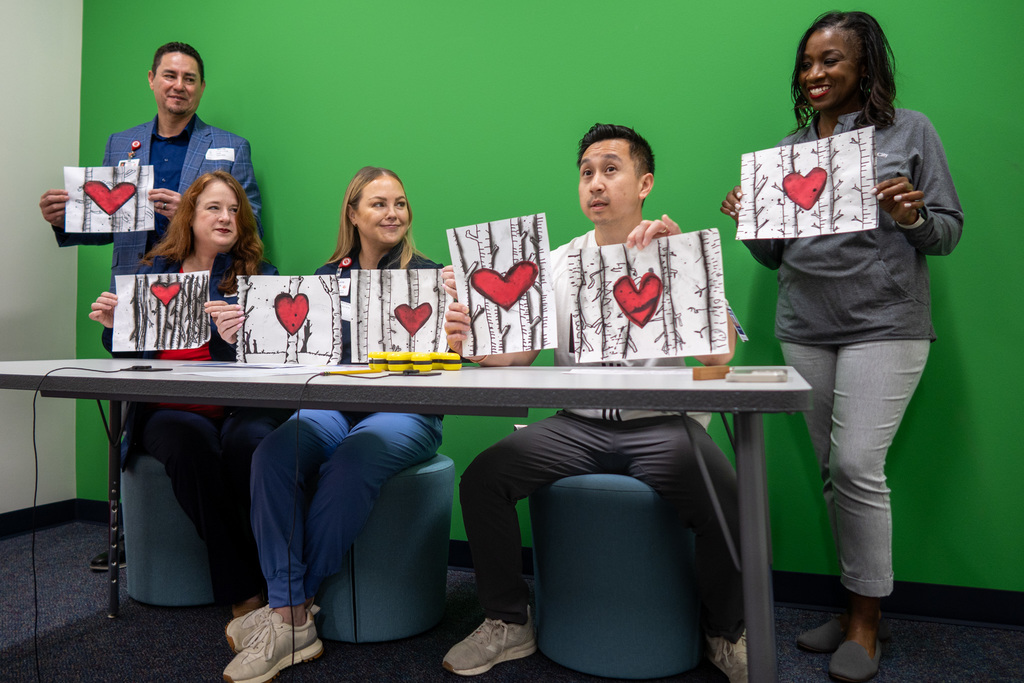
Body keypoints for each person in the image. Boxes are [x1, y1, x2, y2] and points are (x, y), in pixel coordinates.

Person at [443, 124, 746, 682]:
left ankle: (725, 631)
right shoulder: (555, 264)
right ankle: (508, 621)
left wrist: (686, 268)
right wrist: (470, 341)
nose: (596, 184)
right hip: (574, 425)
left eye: (611, 170)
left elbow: (717, 364)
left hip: (661, 425)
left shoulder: (675, 249)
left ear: (645, 182)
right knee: (484, 478)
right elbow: (516, 359)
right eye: (587, 173)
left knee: (725, 492)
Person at [720, 11, 962, 682]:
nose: (815, 73)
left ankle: (867, 623)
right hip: (805, 327)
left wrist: (911, 214)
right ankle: (853, 602)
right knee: (835, 473)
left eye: (830, 60)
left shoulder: (909, 131)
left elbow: (946, 231)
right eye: (807, 62)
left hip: (885, 324)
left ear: (865, 66)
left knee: (858, 466)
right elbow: (774, 258)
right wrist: (751, 220)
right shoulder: (787, 149)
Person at [220, 167, 444, 683]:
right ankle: (292, 614)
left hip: (406, 411)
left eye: (401, 203)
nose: (393, 213)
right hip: (334, 406)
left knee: (354, 458)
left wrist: (460, 317)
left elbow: (453, 354)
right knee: (275, 451)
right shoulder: (322, 279)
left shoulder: (429, 275)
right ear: (353, 214)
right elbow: (298, 359)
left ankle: (288, 609)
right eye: (379, 204)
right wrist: (244, 333)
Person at [88, 170, 286, 618]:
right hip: (168, 411)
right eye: (213, 207)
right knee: (190, 444)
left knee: (251, 447)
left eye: (234, 210)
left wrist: (237, 337)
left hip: (239, 409)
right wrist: (113, 327)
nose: (225, 217)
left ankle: (285, 576)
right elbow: (128, 353)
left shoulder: (260, 276)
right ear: (189, 216)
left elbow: (278, 357)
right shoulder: (154, 270)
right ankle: (246, 589)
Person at [40, 41, 263, 279]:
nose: (179, 86)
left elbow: (254, 228)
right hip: (131, 283)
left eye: (189, 79)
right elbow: (108, 224)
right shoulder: (120, 144)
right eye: (170, 76)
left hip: (203, 284)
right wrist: (64, 218)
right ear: (151, 79)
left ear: (202, 86)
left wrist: (192, 214)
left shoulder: (232, 147)